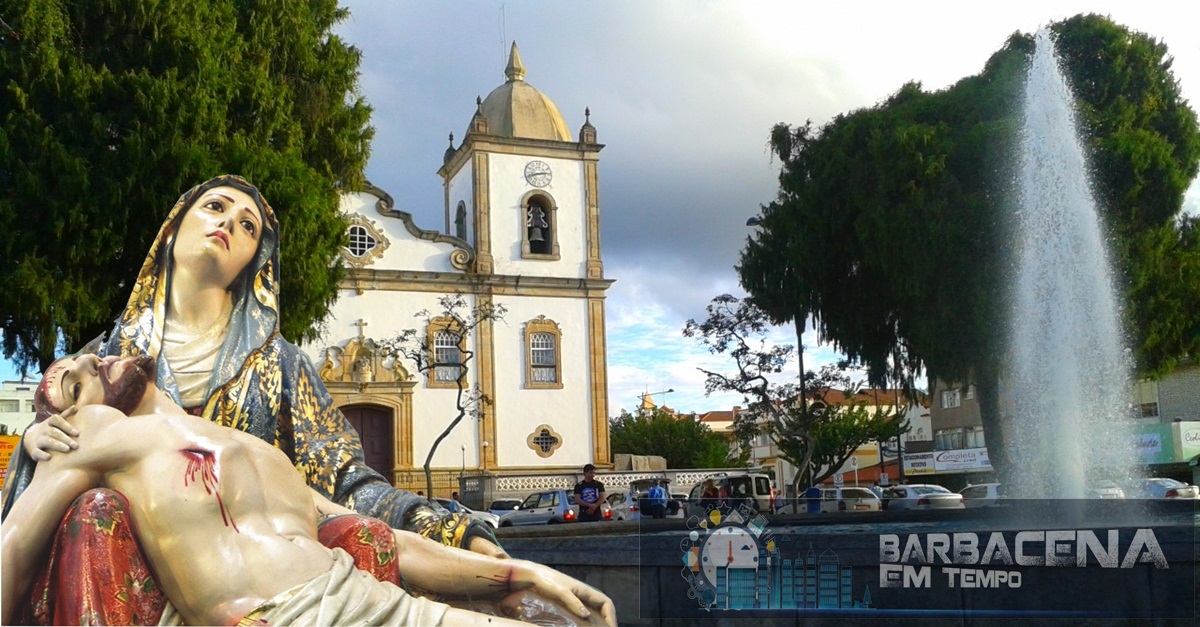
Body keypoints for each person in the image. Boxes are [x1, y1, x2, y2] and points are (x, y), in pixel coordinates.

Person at [0, 176, 585, 622]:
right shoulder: (102, 363)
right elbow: (25, 521)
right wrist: (34, 446)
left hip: (317, 581)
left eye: (249, 225)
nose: (230, 221)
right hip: (184, 583)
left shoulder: (280, 365)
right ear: (173, 228)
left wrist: (457, 534)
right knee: (92, 513)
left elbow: (346, 483)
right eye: (215, 206)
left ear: (253, 262)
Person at [1, 353, 616, 626]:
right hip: (272, 617)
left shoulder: (259, 447)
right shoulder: (103, 434)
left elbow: (390, 540)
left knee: (573, 620)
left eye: (81, 359)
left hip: (369, 603)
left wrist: (524, 575)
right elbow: (15, 544)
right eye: (71, 386)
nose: (87, 365)